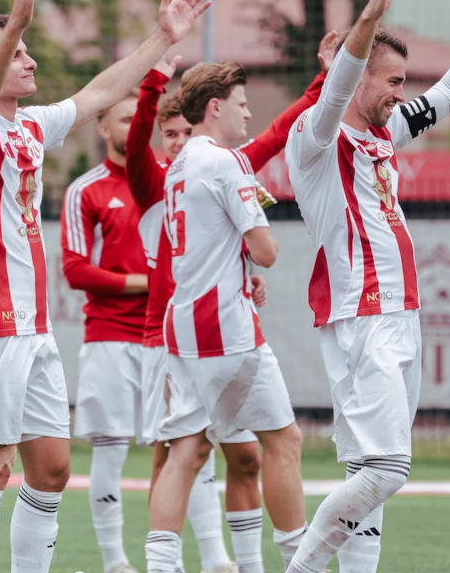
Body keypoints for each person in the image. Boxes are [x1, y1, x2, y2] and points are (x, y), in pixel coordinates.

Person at [0, 0, 210, 573]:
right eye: (17, 50)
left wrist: (164, 38)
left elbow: (101, 91)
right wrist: (16, 19)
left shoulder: (30, 126)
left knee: (52, 470)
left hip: (33, 328)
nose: (29, 59)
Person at [281, 0, 450, 572]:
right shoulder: (318, 138)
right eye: (392, 81)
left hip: (398, 316)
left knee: (366, 470)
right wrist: (368, 17)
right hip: (363, 316)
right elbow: (340, 85)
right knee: (390, 469)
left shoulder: (381, 134)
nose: (402, 94)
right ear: (357, 75)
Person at [128, 40, 332, 573]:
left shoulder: (178, 165)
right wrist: (254, 257)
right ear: (215, 107)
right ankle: (298, 561)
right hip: (226, 328)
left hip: (185, 325)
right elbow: (264, 249)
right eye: (242, 103)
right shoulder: (224, 164)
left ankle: (162, 565)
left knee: (191, 450)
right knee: (279, 441)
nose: (248, 112)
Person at [59, 89, 150, 573]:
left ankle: (181, 558)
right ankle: (115, 563)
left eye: (141, 117)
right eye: (124, 118)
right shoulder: (85, 190)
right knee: (111, 451)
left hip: (165, 340)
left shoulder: (167, 182)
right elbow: (76, 271)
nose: (135, 125)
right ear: (103, 128)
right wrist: (147, 283)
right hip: (110, 339)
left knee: (184, 449)